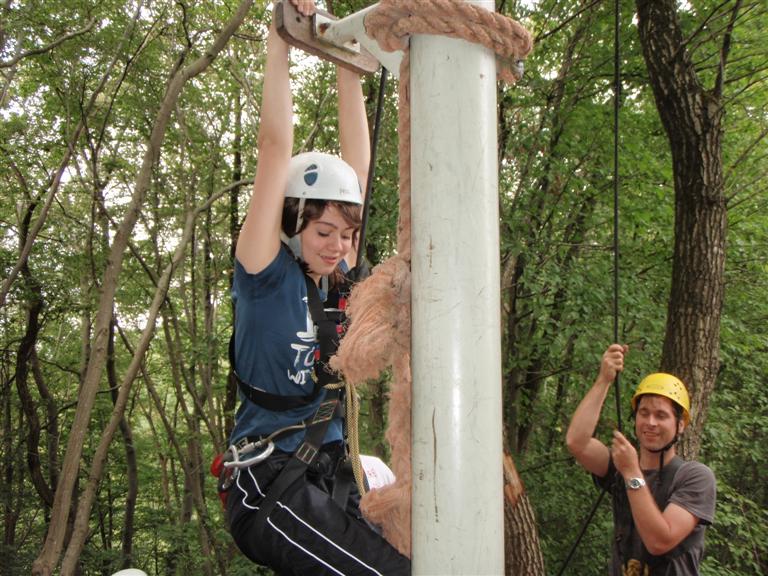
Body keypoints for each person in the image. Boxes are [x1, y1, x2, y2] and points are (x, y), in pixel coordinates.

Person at [222, 1, 410, 574]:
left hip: (327, 474)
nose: (338, 247)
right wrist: (281, 38)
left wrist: (348, 64)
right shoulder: (264, 274)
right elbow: (273, 150)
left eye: (347, 235)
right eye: (324, 232)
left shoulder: (340, 278)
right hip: (268, 481)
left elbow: (360, 169)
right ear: (291, 222)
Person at [566, 344, 716, 575]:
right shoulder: (621, 466)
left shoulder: (694, 477)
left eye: (661, 415)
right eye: (644, 413)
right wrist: (604, 380)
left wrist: (632, 474)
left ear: (680, 425)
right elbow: (577, 441)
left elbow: (659, 541)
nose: (650, 422)